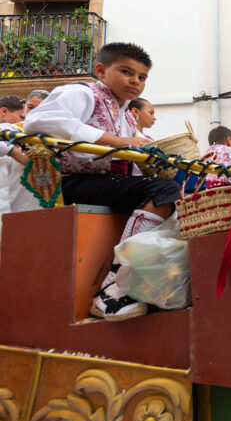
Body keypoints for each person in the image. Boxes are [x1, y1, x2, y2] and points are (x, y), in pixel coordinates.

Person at [24, 42, 180, 322]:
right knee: (163, 190)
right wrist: (118, 141)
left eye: (142, 77)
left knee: (171, 193)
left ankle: (139, 281)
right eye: (126, 72)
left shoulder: (124, 113)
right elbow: (38, 121)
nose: (135, 81)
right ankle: (115, 285)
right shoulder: (82, 92)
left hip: (107, 184)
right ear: (100, 70)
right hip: (74, 182)